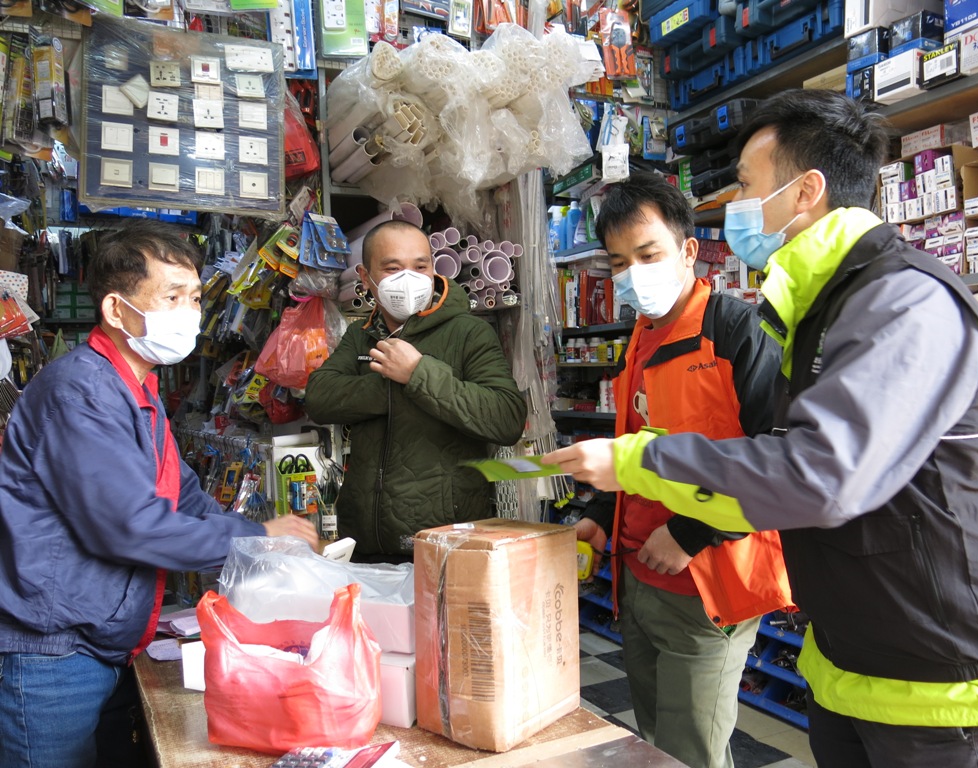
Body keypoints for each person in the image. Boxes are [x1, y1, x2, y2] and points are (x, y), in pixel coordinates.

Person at [543, 89, 978, 767]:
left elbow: (818, 475)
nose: (736, 204)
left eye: (746, 185)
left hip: (940, 686)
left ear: (805, 192)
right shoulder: (818, 310)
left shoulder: (901, 298)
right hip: (852, 659)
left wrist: (639, 465)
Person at [0, 220, 319, 768]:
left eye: (194, 297)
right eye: (171, 297)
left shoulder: (135, 389)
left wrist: (263, 551)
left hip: (101, 647)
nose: (189, 312)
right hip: (52, 655)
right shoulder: (83, 391)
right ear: (116, 309)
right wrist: (254, 536)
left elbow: (184, 497)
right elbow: (133, 526)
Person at [573, 171, 791, 768]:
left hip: (707, 585)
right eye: (619, 263)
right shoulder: (641, 335)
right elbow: (634, 444)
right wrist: (601, 514)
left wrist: (691, 532)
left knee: (693, 750)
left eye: (648, 255)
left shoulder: (735, 330)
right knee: (652, 745)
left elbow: (779, 461)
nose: (633, 274)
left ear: (688, 250)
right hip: (638, 575)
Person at [305, 220, 526, 559]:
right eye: (392, 268)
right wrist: (395, 384)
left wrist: (418, 374)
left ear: (434, 270)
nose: (408, 279)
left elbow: (507, 419)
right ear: (365, 277)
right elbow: (319, 398)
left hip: (443, 542)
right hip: (364, 541)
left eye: (420, 267)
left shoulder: (469, 332)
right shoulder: (360, 336)